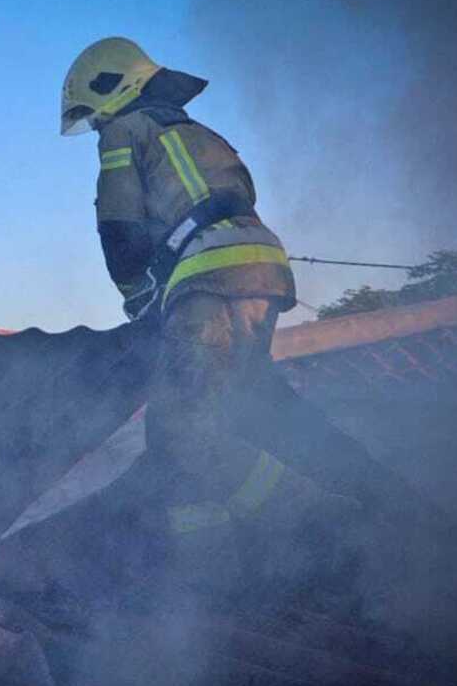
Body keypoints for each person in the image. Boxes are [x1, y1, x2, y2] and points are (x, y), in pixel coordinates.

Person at [59, 38, 403, 596]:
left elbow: (119, 231)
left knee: (179, 433)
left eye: (93, 117)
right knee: (237, 414)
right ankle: (235, 559)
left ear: (112, 90)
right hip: (261, 266)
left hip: (210, 276)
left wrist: (138, 300)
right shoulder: (201, 134)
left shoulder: (125, 131)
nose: (95, 129)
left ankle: (322, 523)